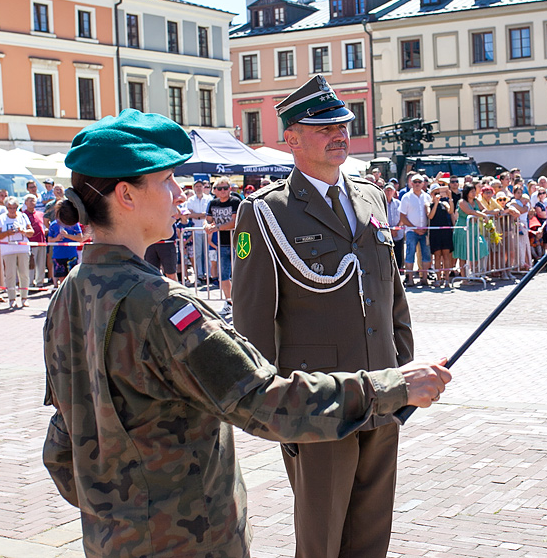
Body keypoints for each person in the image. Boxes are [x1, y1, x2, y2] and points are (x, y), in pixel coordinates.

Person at [42, 108, 449, 558]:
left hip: (113, 539)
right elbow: (263, 400)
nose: (180, 195)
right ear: (126, 195)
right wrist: (394, 387)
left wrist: (119, 509)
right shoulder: (163, 305)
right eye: (166, 181)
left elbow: (62, 444)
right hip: (187, 540)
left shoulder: (69, 295)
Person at [232, 75, 422, 558]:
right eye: (322, 127)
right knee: (323, 537)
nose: (339, 133)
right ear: (290, 139)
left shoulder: (371, 197)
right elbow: (253, 322)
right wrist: (275, 413)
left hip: (383, 389)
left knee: (372, 531)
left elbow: (390, 292)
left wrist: (400, 366)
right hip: (318, 402)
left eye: (342, 124)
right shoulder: (266, 212)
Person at [205, 177, 241, 315]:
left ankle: (240, 302)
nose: (223, 191)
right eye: (219, 188)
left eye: (225, 188)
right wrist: (207, 227)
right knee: (224, 275)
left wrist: (216, 227)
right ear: (214, 190)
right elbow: (207, 220)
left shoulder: (235, 201)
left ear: (230, 189)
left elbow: (234, 221)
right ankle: (229, 301)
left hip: (237, 243)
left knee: (239, 274)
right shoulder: (212, 203)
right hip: (222, 244)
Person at [0, 196, 34, 309]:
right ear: (6, 207)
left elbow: (31, 232)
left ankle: (24, 298)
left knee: (24, 274)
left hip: (23, 249)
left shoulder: (23, 216)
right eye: (10, 208)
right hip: (8, 250)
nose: (12, 210)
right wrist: (7, 233)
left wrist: (23, 231)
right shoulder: (1, 218)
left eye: (14, 208)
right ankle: (11, 299)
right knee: (10, 275)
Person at [399, 173, 432, 287]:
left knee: (426, 255)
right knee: (410, 254)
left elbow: (429, 214)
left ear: (423, 183)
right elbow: (402, 216)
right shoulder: (406, 197)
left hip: (425, 231)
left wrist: (425, 228)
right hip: (411, 231)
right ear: (411, 183)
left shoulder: (427, 196)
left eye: (419, 182)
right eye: (415, 182)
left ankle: (424, 278)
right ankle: (410, 279)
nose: (417, 184)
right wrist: (414, 228)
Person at [452, 183, 490, 278]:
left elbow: (483, 209)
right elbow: (470, 211)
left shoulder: (476, 201)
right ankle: (464, 277)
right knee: (463, 254)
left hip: (474, 229)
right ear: (467, 192)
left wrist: (483, 213)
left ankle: (475, 273)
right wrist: (483, 215)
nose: (474, 193)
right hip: (464, 230)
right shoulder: (462, 202)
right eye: (472, 191)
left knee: (479, 248)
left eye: (474, 191)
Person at [183, 178, 213, 285]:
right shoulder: (190, 200)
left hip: (207, 229)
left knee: (207, 253)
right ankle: (199, 275)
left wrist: (198, 215)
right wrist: (201, 215)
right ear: (194, 188)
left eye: (200, 186)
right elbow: (189, 214)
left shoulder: (209, 198)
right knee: (197, 253)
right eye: (197, 186)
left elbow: (209, 214)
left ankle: (208, 275)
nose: (199, 188)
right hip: (195, 229)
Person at [427, 183, 454, 288]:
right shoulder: (428, 204)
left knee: (446, 255)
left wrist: (450, 198)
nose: (437, 195)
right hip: (435, 232)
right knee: (437, 256)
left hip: (445, 231)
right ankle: (438, 278)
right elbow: (430, 216)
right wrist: (436, 203)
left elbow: (451, 211)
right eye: (435, 193)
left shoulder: (445, 203)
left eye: (439, 193)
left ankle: (447, 278)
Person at [47, 211, 83, 288]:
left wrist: (67, 236)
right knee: (62, 278)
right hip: (58, 255)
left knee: (72, 276)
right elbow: (49, 240)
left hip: (71, 255)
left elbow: (80, 238)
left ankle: (71, 294)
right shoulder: (53, 224)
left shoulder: (74, 223)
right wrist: (56, 238)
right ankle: (63, 294)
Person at [22, 194, 48, 288]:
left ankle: (40, 282)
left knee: (41, 264)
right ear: (25, 203)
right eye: (30, 200)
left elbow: (44, 226)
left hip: (41, 242)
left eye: (33, 200)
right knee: (31, 264)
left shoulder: (40, 214)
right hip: (30, 243)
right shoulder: (23, 215)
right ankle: (30, 283)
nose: (32, 202)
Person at [384, 183, 406, 270]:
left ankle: (399, 270)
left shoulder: (399, 203)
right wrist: (390, 230)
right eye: (387, 190)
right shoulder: (381, 204)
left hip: (398, 233)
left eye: (391, 190)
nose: (389, 192)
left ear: (394, 192)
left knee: (398, 253)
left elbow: (402, 216)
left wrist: (396, 229)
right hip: (386, 233)